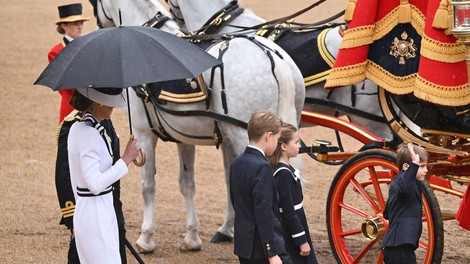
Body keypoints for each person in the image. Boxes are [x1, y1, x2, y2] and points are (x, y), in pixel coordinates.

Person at [67, 87, 139, 263]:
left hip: (93, 211)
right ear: (98, 103)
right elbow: (95, 184)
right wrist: (125, 159)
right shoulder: (89, 134)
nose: (114, 107)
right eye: (110, 103)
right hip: (95, 216)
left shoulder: (78, 128)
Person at [55, 110, 129, 263]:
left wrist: (115, 209)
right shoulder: (74, 126)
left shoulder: (103, 122)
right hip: (92, 212)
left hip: (108, 207)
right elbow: (65, 174)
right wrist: (71, 218)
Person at [229, 111, 292, 264]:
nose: (277, 145)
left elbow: (236, 202)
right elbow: (264, 213)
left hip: (244, 244)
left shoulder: (237, 161)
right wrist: (272, 252)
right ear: (268, 136)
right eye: (277, 139)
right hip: (262, 248)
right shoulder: (262, 167)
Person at [268, 122, 318, 264]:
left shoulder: (285, 169)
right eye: (296, 142)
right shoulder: (283, 174)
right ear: (283, 146)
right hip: (290, 234)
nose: (299, 146)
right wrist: (301, 241)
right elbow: (289, 213)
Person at [380, 142, 429, 264]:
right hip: (398, 248)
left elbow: (387, 213)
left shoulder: (409, 183)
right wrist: (414, 165)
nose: (426, 170)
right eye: (422, 166)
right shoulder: (401, 183)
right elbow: (403, 187)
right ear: (407, 167)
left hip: (403, 247)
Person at [48, 3, 90, 123]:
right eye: (75, 23)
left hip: (94, 105)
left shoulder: (89, 46)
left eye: (81, 23)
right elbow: (67, 83)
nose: (80, 27)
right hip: (72, 107)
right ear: (64, 25)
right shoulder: (55, 52)